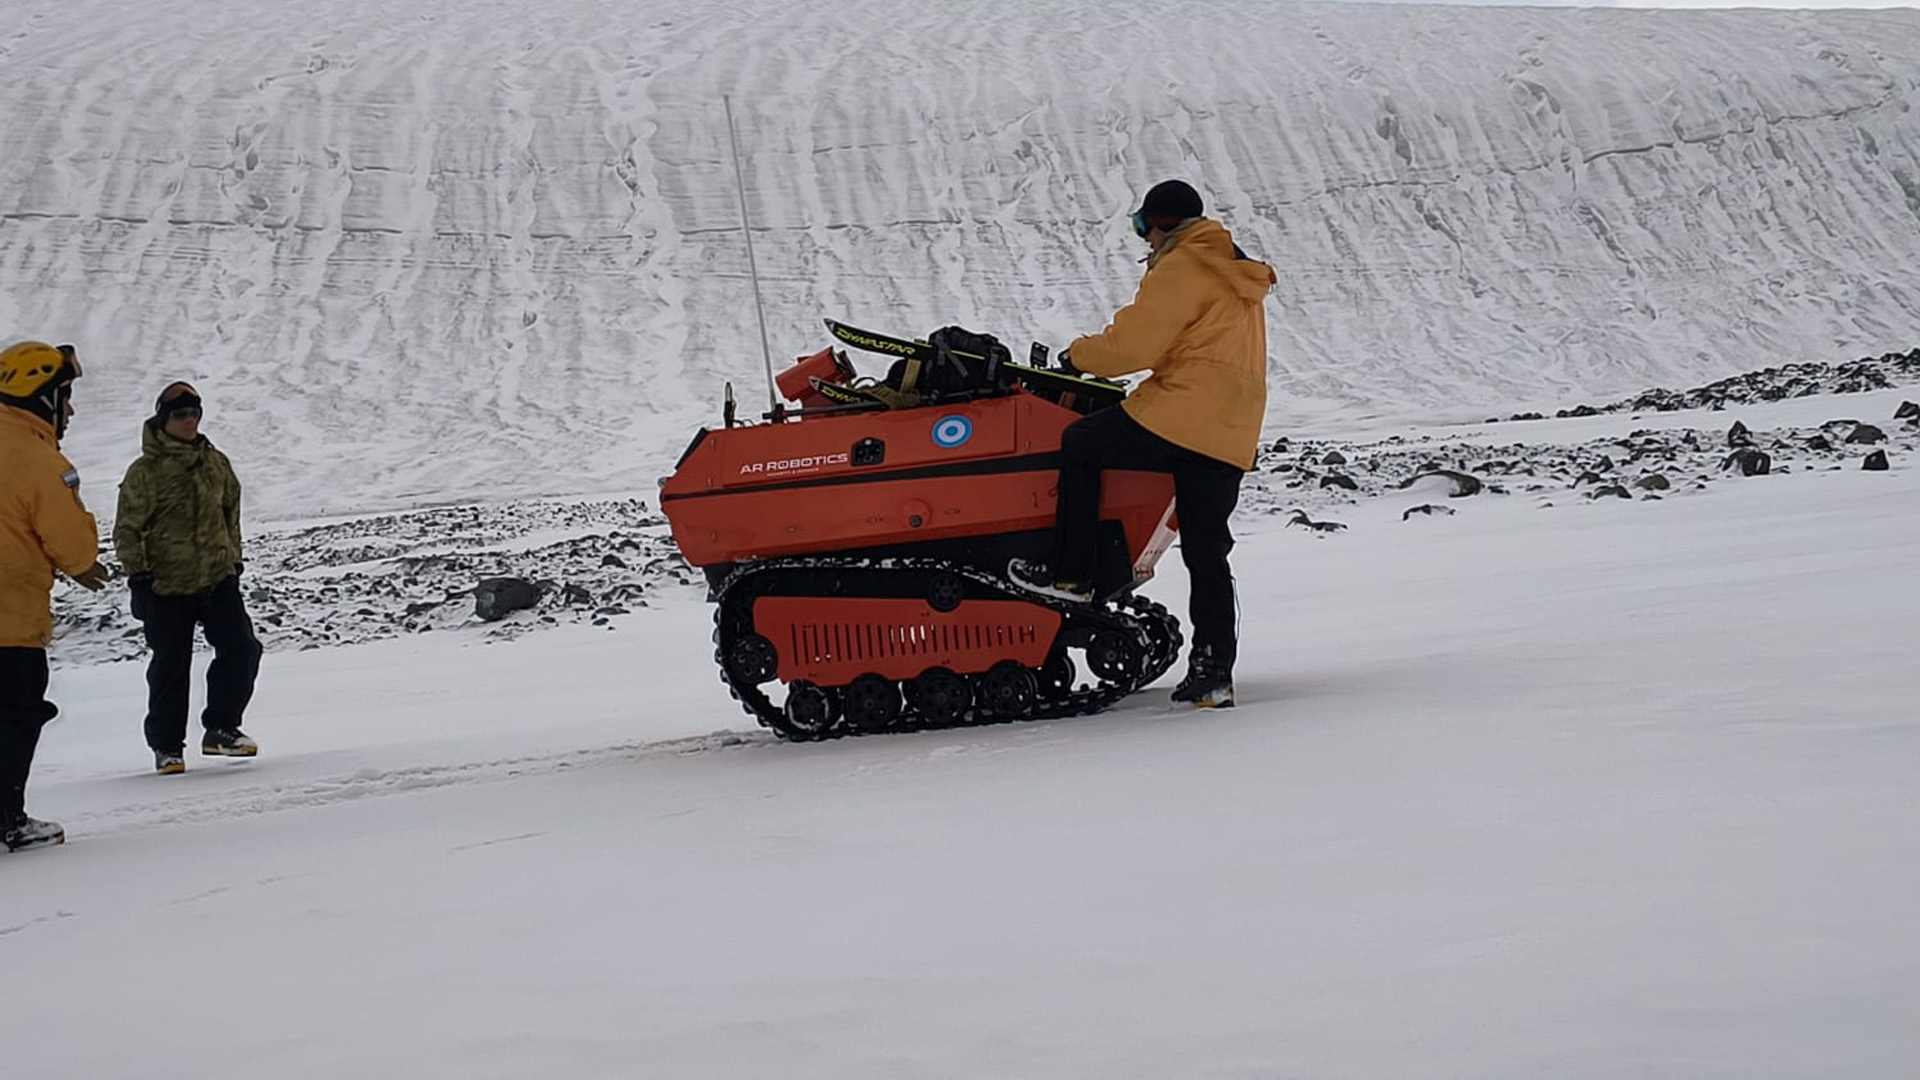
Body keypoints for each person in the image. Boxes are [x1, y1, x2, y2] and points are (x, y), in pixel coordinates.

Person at [1009, 180, 1276, 709]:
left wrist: (1076, 358)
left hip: (1183, 410)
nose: (1144, 241)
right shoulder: (1234, 269)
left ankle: (1073, 576)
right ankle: (1213, 672)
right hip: (1232, 427)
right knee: (1207, 551)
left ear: (1159, 224)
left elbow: (1135, 344)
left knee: (1081, 442)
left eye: (1141, 227)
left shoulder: (1183, 266)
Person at [115, 382, 262, 774]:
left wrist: (233, 562)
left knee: (243, 648)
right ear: (164, 419)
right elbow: (128, 528)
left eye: (194, 412)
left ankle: (222, 728)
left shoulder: (216, 463)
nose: (189, 420)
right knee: (169, 666)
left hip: (217, 579)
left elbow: (230, 513)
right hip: (165, 585)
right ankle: (167, 747)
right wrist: (139, 577)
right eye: (180, 414)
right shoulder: (144, 471)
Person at [1, 341, 110, 851]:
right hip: (9, 621)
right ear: (40, 394)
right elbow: (72, 544)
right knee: (16, 714)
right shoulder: (39, 458)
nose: (69, 409)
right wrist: (85, 563)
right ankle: (7, 819)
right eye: (63, 396)